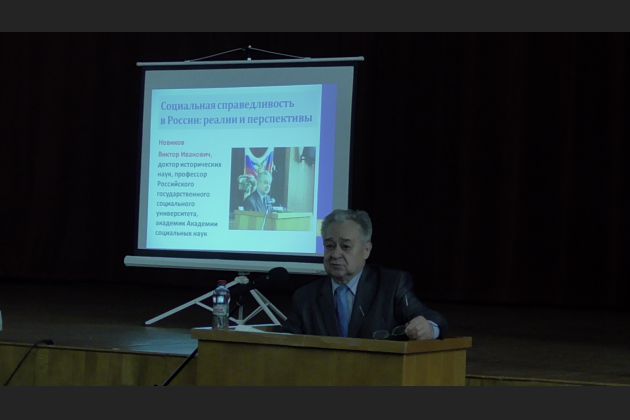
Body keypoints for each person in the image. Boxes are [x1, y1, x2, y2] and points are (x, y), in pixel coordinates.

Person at [282, 209, 447, 340]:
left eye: (345, 246)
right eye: (330, 246)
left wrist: (428, 328)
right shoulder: (306, 297)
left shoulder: (391, 286)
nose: (335, 254)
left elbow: (432, 319)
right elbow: (286, 342)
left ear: (366, 250)